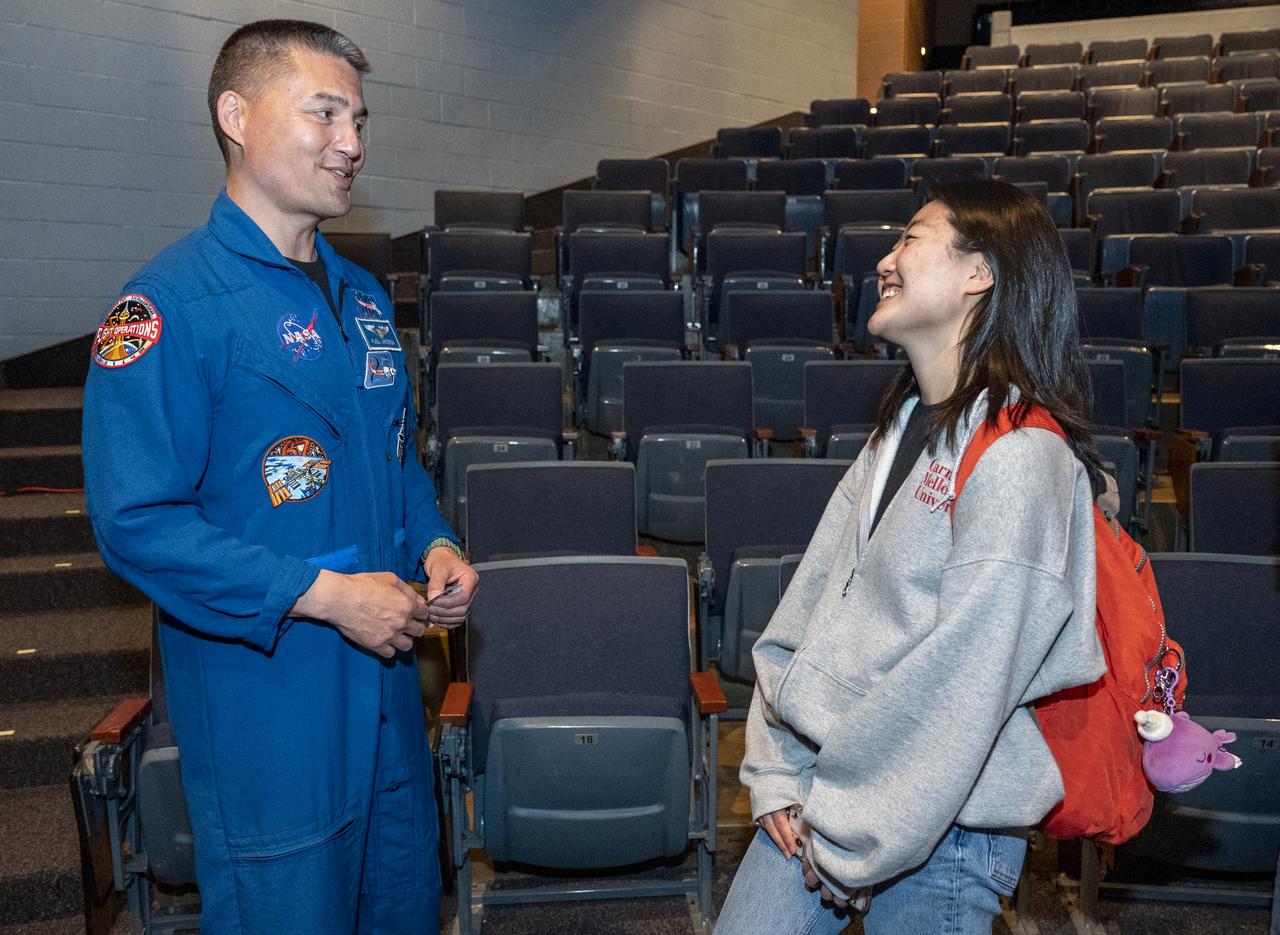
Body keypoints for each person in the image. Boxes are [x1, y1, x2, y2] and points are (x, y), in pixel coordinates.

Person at [81, 20, 476, 934]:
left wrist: (436, 540)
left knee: (403, 908)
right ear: (235, 115)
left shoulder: (367, 301)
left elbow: (395, 461)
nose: (353, 143)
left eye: (360, 119)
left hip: (384, 708)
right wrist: (325, 595)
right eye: (325, 113)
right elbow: (137, 522)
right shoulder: (165, 308)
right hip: (272, 710)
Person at [716, 179, 1109, 934]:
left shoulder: (1024, 456)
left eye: (912, 237)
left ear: (979, 272)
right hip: (820, 791)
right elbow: (807, 613)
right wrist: (773, 770)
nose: (886, 259)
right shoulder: (896, 428)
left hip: (945, 828)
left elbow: (961, 687)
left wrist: (849, 826)